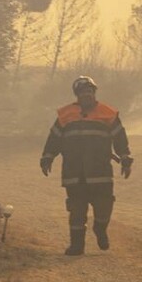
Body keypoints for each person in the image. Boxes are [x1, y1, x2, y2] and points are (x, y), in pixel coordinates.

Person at [40, 76, 133, 255]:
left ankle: (100, 228)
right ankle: (77, 246)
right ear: (77, 95)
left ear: (94, 92)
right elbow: (54, 139)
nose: (87, 95)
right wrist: (47, 157)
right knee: (76, 210)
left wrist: (125, 158)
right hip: (74, 173)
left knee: (104, 207)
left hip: (100, 172)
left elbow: (120, 138)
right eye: (83, 92)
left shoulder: (108, 113)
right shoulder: (65, 115)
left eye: (90, 91)